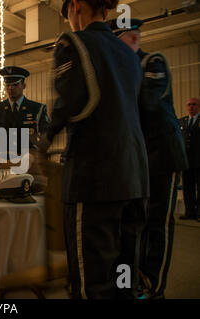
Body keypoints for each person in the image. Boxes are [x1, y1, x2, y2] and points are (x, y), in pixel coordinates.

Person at [43, 0, 149, 298]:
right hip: (135, 178)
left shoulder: (73, 42)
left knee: (92, 284)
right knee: (125, 279)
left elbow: (69, 104)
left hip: (95, 178)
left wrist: (41, 142)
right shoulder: (129, 55)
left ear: (75, 6)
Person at [109, 18, 188, 299]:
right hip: (139, 160)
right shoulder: (120, 71)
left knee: (159, 224)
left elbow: (148, 106)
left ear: (130, 39)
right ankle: (136, 279)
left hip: (163, 157)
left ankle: (155, 287)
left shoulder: (151, 62)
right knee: (136, 223)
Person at [0, 66, 50, 159]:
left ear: (23, 85)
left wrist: (40, 153)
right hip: (3, 161)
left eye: (15, 84)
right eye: (8, 85)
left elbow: (47, 135)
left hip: (29, 162)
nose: (11, 88)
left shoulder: (37, 109)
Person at [179, 97, 200, 221]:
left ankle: (199, 214)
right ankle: (190, 212)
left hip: (198, 161)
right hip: (186, 162)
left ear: (198, 106)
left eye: (194, 104)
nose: (191, 107)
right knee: (188, 188)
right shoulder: (182, 121)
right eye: (189, 105)